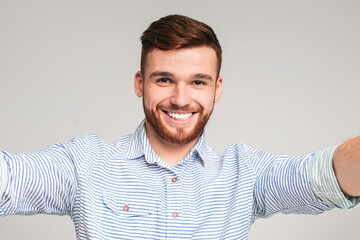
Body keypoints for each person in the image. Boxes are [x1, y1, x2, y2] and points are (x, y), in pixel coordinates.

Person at [0, 14, 359, 240]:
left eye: (199, 82)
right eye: (165, 80)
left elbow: (324, 175)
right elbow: (10, 179)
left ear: (217, 88)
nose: (181, 98)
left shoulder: (245, 174)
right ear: (140, 83)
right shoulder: (86, 164)